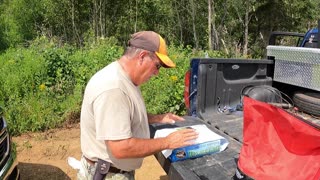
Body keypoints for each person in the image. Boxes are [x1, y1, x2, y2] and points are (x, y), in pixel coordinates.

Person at [79, 31, 199, 180]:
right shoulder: (114, 88)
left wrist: (158, 118)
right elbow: (120, 148)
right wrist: (168, 142)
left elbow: (124, 116)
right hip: (108, 175)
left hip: (112, 171)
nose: (156, 73)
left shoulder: (124, 78)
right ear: (142, 56)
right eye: (157, 66)